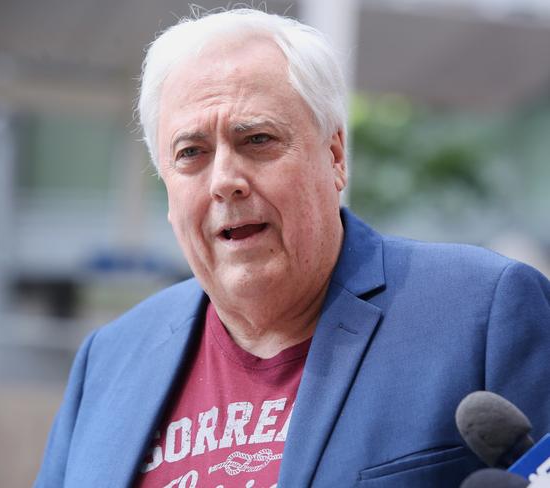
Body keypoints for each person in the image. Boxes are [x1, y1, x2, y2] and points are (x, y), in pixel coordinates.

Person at [34, 8, 550, 488]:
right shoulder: (107, 361)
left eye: (257, 139)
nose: (225, 181)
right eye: (191, 153)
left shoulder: (483, 310)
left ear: (335, 157)